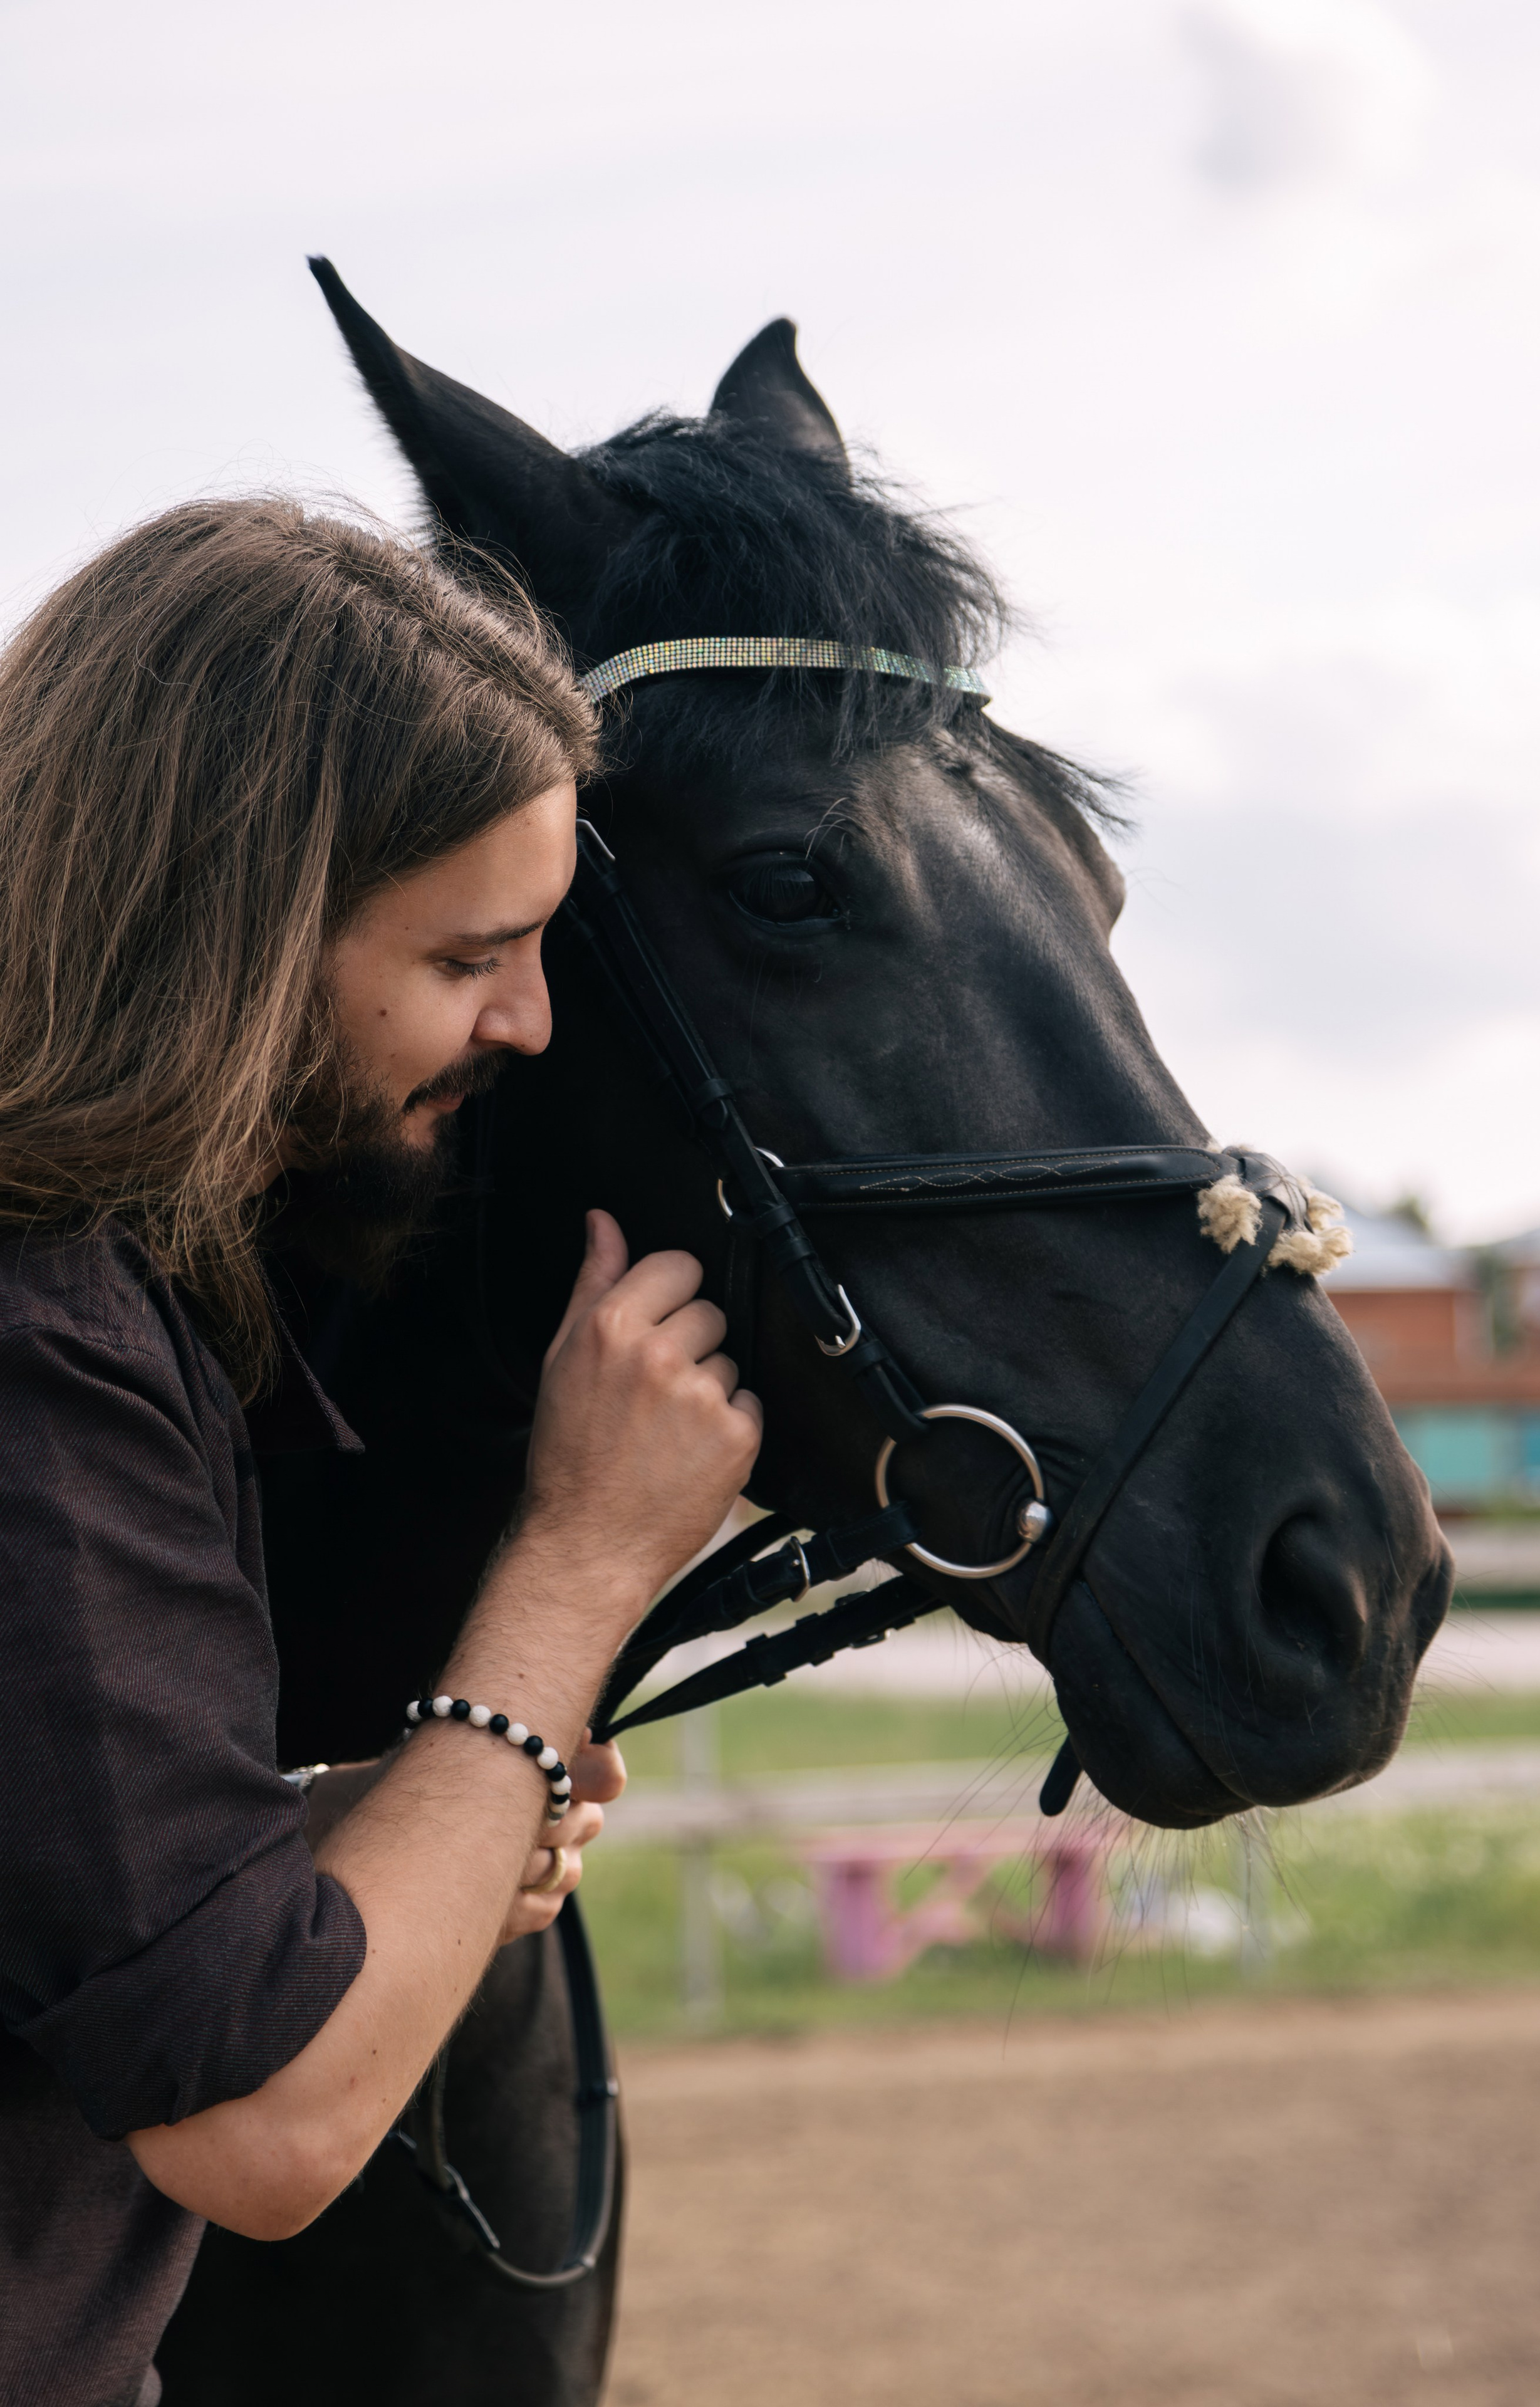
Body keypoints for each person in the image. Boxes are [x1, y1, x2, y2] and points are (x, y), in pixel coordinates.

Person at [0, 499, 762, 2406]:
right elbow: (263, 2126)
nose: (530, 1015)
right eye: (470, 951)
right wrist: (581, 1557)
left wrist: (368, 1831)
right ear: (237, 933)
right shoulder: (41, 1337)